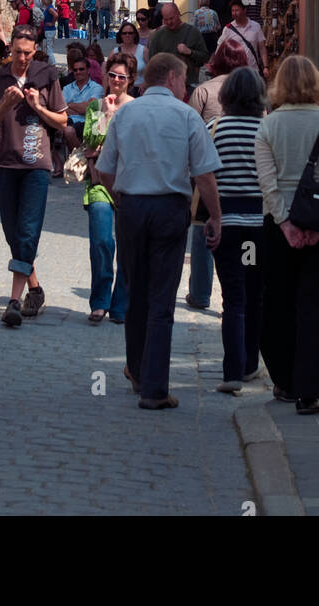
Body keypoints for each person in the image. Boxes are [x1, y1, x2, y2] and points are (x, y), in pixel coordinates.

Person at [97, 53, 222, 410]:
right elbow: (204, 174)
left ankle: (136, 370)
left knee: (135, 290)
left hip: (132, 207)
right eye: (184, 80)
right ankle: (154, 387)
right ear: (172, 79)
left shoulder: (126, 115)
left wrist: (120, 198)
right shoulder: (186, 116)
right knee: (162, 298)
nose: (186, 87)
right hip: (169, 208)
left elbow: (105, 169)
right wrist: (215, 216)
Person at [254, 55, 319, 415]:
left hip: (279, 227)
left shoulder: (268, 126)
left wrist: (286, 224)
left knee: (278, 303)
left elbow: (267, 181)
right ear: (316, 82)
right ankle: (309, 390)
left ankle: (285, 379)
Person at [0, 26, 67, 327]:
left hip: (36, 166)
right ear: (9, 49)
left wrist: (38, 107)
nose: (22, 58)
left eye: (28, 53)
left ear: (35, 50)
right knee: (13, 233)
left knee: (28, 231)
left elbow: (62, 120)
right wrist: (6, 104)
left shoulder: (47, 75)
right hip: (4, 163)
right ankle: (36, 289)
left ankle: (13, 301)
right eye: (17, 52)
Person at [211, 67, 268, 393]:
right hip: (259, 227)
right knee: (255, 297)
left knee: (233, 299)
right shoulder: (268, 129)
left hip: (226, 225)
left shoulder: (215, 128)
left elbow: (201, 173)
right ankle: (249, 364)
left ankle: (232, 372)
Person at [185, 39, 250, 310]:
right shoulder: (253, 90)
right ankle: (236, 295)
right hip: (245, 173)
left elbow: (189, 129)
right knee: (242, 236)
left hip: (208, 171)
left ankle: (200, 293)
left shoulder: (203, 91)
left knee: (203, 231)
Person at [81, 53, 133, 324]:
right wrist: (107, 115)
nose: (115, 80)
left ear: (130, 80)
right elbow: (90, 140)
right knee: (102, 242)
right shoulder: (95, 107)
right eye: (111, 74)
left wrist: (99, 149)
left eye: (121, 76)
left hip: (129, 184)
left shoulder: (137, 108)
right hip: (99, 182)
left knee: (127, 246)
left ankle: (121, 303)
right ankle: (100, 301)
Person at [146, 2, 209, 93]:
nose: (169, 22)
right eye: (166, 19)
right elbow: (151, 62)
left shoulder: (193, 32)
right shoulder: (158, 35)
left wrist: (190, 52)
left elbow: (205, 57)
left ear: (178, 13)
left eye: (172, 18)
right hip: (164, 86)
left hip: (187, 85)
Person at [62, 57, 104, 160]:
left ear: (88, 70)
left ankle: (82, 158)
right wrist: (83, 106)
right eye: (75, 70)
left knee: (69, 131)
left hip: (90, 122)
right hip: (69, 121)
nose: (78, 72)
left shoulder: (97, 88)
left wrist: (70, 105)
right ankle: (83, 158)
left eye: (81, 69)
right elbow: (61, 109)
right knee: (68, 131)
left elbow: (89, 108)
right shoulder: (67, 88)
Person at [219, 0, 269, 79]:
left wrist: (266, 67)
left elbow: (262, 48)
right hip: (234, 73)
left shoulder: (255, 26)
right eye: (232, 11)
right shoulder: (228, 29)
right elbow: (220, 49)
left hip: (253, 71)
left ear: (244, 10)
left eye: (237, 10)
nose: (234, 13)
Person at [116, 22, 146, 88]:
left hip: (140, 90)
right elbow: (107, 75)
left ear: (135, 34)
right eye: (124, 33)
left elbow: (152, 71)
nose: (127, 35)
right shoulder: (114, 52)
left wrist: (145, 84)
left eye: (130, 33)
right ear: (120, 35)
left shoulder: (144, 50)